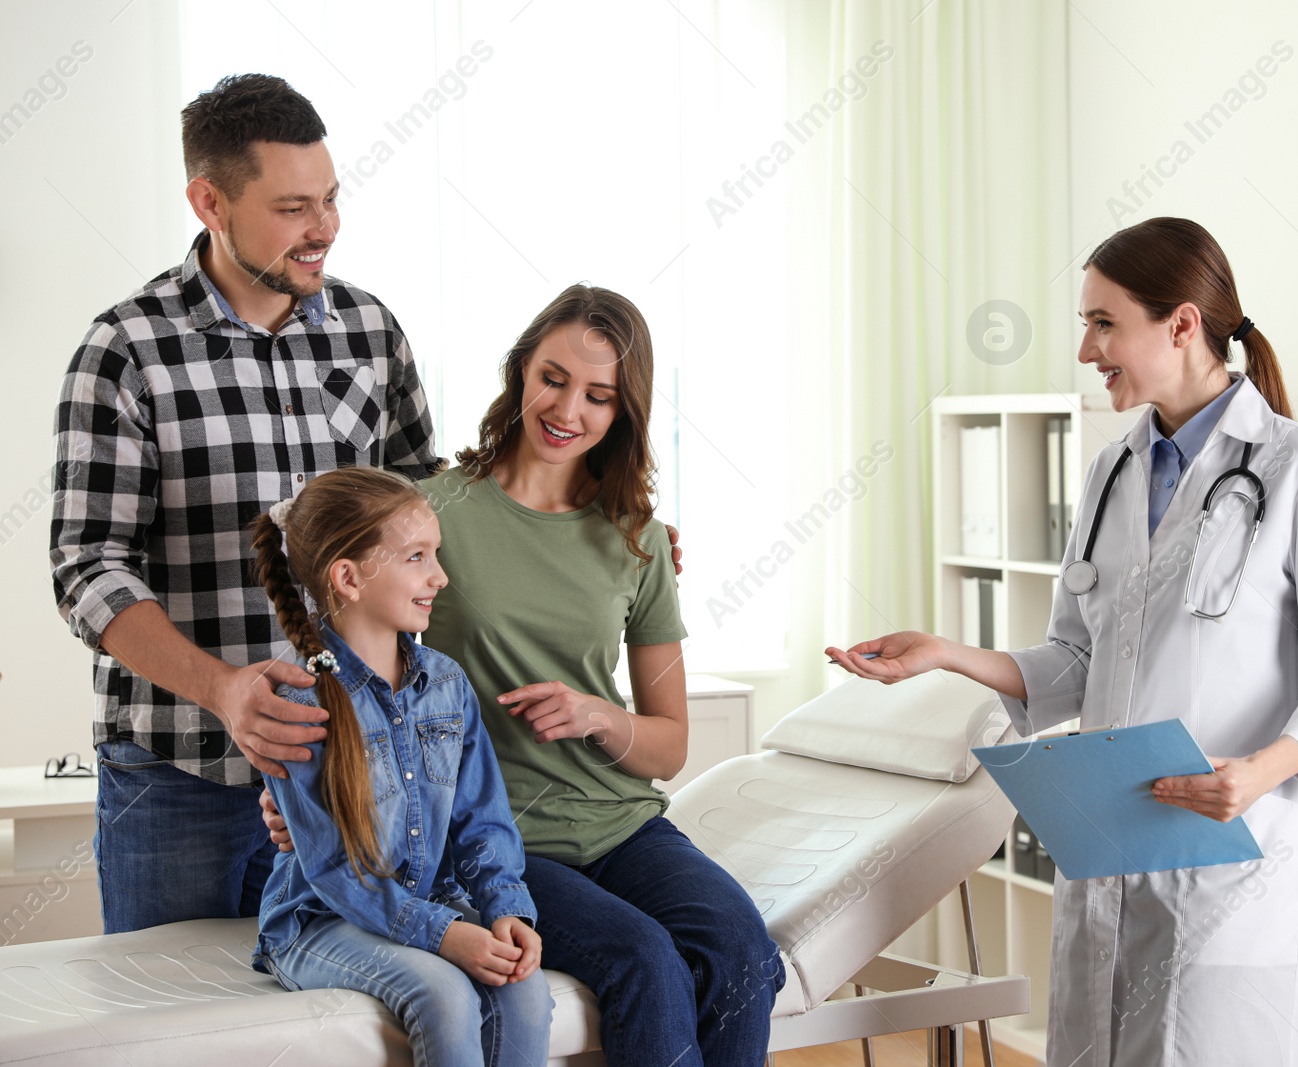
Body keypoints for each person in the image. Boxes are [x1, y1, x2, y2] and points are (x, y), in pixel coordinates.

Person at [827, 218, 1298, 1067]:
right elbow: (1077, 658)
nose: (1087, 349)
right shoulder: (1112, 469)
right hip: (1115, 844)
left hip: (1233, 860)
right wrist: (947, 653)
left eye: (1103, 323)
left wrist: (1256, 774)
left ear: (1183, 323)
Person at [265, 284, 781, 1066]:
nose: (568, 407)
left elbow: (668, 747)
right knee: (644, 958)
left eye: (599, 394)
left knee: (742, 948)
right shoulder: (430, 513)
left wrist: (595, 716)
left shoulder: (639, 541)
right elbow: (344, 620)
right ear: (520, 372)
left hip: (619, 822)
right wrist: (308, 784)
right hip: (498, 839)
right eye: (553, 377)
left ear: (623, 411)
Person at [50, 73, 439, 934]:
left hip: (351, 764)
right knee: (175, 1033)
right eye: (294, 207)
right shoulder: (126, 350)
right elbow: (86, 565)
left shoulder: (372, 333)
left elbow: (432, 507)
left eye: (331, 199)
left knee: (339, 1032)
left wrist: (600, 530)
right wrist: (224, 690)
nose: (325, 228)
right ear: (209, 201)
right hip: (177, 781)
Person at [251, 466, 553, 1067]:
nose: (440, 576)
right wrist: (445, 935)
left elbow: (482, 821)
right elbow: (334, 869)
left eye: (435, 555)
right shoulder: (296, 700)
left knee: (525, 990)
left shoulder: (446, 682)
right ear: (349, 577)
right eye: (417, 557)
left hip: (430, 899)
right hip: (319, 919)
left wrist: (505, 910)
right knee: (443, 995)